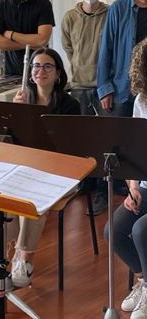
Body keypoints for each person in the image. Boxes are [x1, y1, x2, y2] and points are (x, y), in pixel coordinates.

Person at [0, 47, 80, 288]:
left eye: (48, 66)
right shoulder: (21, 100)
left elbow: (69, 148)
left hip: (59, 171)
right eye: (36, 66)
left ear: (58, 74)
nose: (41, 71)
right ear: (30, 73)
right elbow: (8, 143)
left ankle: (24, 255)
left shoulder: (69, 105)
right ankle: (3, 250)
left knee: (33, 199)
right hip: (24, 167)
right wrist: (15, 114)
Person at [107, 37, 147, 319]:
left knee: (142, 230)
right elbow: (133, 149)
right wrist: (133, 186)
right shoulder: (141, 100)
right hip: (145, 184)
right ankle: (145, 281)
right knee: (114, 230)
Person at [95, 0, 147, 214]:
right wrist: (104, 87)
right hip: (121, 87)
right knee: (114, 143)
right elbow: (106, 47)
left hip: (146, 86)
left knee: (140, 142)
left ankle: (138, 191)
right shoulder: (118, 8)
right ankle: (102, 192)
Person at [62, 0, 109, 216]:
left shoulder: (110, 14)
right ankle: (85, 184)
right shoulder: (70, 17)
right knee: (81, 141)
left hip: (102, 88)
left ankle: (102, 191)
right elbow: (68, 47)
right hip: (79, 86)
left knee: (103, 141)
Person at [0, 0, 55, 76]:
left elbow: (42, 40)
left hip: (40, 71)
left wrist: (12, 35)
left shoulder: (44, 3)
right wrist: (30, 45)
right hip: (11, 70)